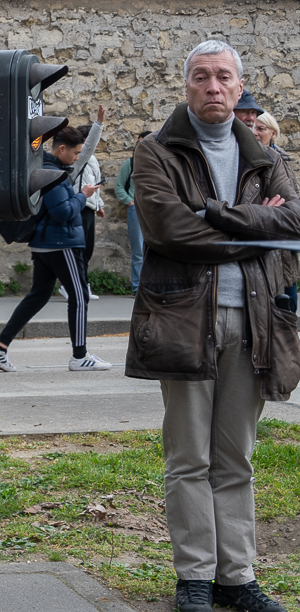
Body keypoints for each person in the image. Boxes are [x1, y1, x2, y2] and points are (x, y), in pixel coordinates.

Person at [128, 40, 300, 612]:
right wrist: (255, 231)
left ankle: (238, 576)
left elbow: (294, 222)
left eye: (223, 76)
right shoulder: (156, 150)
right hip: (181, 319)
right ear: (187, 86)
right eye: (201, 77)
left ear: (238, 84)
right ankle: (196, 576)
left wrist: (218, 215)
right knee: (188, 459)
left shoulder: (265, 155)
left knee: (236, 458)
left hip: (254, 321)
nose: (213, 87)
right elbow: (170, 230)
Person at [0, 126, 112, 374]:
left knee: (38, 296)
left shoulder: (46, 168)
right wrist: (83, 196)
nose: (76, 158)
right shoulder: (54, 174)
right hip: (62, 243)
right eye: (75, 152)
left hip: (46, 244)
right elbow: (62, 212)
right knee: (80, 296)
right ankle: (80, 356)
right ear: (61, 149)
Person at [254, 112, 298, 314]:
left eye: (261, 129)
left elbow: (292, 197)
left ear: (273, 133)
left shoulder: (283, 160)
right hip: (261, 230)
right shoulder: (249, 156)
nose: (255, 133)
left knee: (288, 296)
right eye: (253, 128)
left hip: (282, 232)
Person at [59, 105, 104, 301]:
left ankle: (81, 284)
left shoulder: (92, 160)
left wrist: (99, 203)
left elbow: (96, 183)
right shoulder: (79, 158)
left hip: (89, 208)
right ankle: (71, 287)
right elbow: (89, 146)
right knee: (77, 249)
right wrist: (99, 123)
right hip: (78, 206)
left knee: (87, 250)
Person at [113, 131, 152, 295]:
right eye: (139, 142)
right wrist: (130, 201)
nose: (140, 146)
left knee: (155, 250)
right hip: (135, 211)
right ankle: (137, 289)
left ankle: (152, 287)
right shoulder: (130, 163)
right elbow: (119, 186)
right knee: (138, 252)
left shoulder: (158, 163)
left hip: (154, 211)